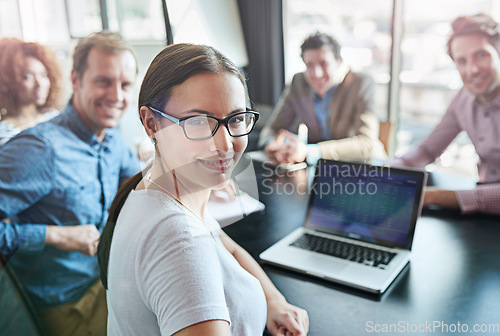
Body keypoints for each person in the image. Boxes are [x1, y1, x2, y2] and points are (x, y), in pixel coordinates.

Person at [97, 43, 309, 336]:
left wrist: (273, 300)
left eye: (235, 119)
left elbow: (224, 244)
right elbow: (190, 246)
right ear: (151, 123)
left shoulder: (162, 184)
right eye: (197, 122)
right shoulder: (178, 240)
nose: (224, 145)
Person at [0, 30, 140, 335]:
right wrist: (55, 236)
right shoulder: (38, 149)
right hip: (67, 304)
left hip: (108, 279)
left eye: (125, 85)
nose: (117, 96)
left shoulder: (111, 137)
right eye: (104, 81)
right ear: (76, 80)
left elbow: (139, 184)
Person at [391, 13, 500, 215]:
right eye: (462, 61)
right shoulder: (463, 99)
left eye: (481, 55)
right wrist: (390, 171)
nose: (472, 69)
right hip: (483, 215)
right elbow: (427, 151)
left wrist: (435, 196)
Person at [259, 32, 385, 164]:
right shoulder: (298, 82)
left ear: (339, 63)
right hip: (321, 169)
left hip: (363, 167)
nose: (317, 74)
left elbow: (367, 143)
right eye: (310, 65)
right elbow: (273, 128)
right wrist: (271, 145)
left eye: (324, 63)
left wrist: (309, 151)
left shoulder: (361, 83)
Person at [0, 38, 63, 146]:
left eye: (43, 75)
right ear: (8, 81)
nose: (39, 84)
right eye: (27, 77)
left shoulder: (54, 117)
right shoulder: (5, 133)